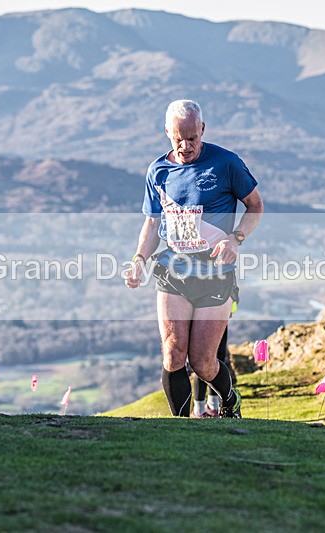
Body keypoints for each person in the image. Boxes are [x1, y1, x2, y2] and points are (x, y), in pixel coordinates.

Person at [125, 99, 263, 418]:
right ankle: (182, 426)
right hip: (173, 268)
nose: (186, 146)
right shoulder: (158, 171)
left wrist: (236, 238)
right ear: (167, 134)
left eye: (192, 137)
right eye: (178, 139)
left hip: (216, 271)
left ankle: (230, 402)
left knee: (202, 361)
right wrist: (138, 259)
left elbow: (255, 205)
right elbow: (153, 222)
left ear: (202, 129)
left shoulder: (226, 163)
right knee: (173, 355)